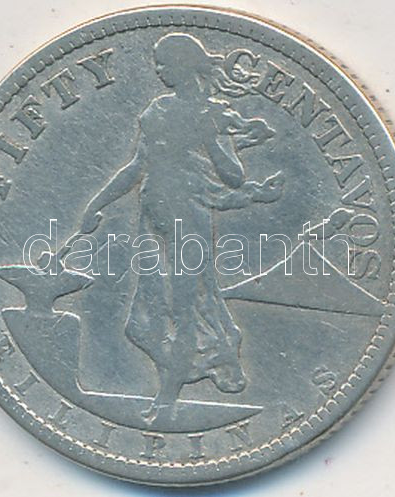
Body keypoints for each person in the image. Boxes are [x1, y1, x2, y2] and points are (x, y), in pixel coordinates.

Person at [78, 33, 281, 422]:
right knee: (140, 324)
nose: (158, 70)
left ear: (184, 65)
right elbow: (137, 167)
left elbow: (234, 177)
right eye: (157, 62)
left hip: (188, 220)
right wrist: (95, 204)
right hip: (152, 219)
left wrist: (214, 138)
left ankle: (167, 398)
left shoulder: (212, 114)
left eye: (164, 63)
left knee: (183, 311)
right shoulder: (157, 111)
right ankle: (200, 364)